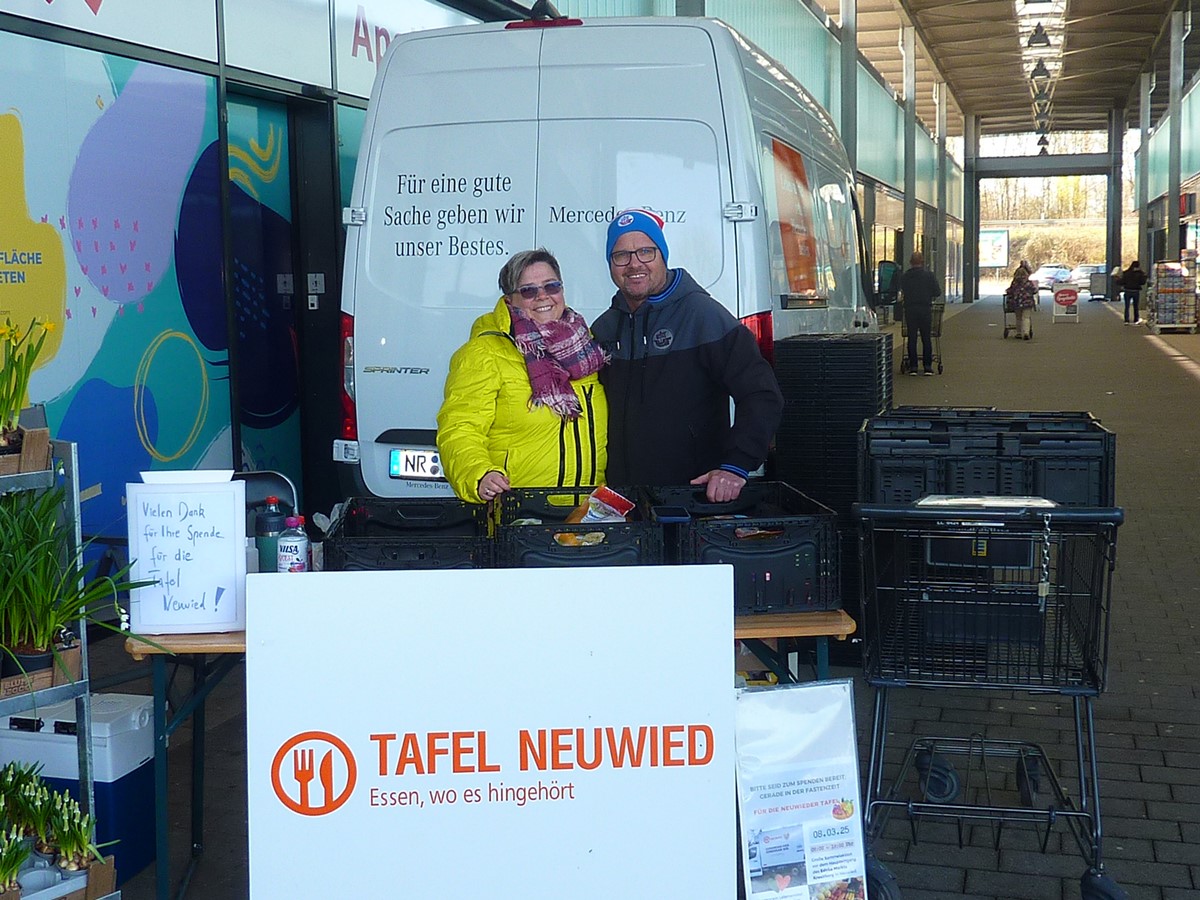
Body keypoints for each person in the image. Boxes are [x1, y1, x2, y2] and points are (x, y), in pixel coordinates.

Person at [591, 208, 783, 503]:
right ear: (610, 264)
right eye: (621, 255)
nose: (634, 264)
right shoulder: (604, 328)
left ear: (662, 255)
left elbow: (761, 394)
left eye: (646, 251)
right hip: (623, 500)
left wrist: (736, 465)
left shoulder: (703, 316)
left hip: (693, 497)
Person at [437, 248, 609, 503]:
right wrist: (479, 473)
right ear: (510, 299)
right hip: (521, 513)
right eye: (528, 290)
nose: (543, 296)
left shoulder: (586, 347)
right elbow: (460, 428)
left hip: (587, 511)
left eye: (552, 286)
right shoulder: (482, 354)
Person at [899, 250, 943, 374]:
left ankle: (913, 366)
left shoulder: (905, 276)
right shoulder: (929, 276)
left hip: (910, 309)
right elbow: (937, 292)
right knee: (926, 337)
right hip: (925, 309)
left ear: (910, 262)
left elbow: (902, 290)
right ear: (922, 262)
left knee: (911, 337)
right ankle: (927, 366)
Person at [1005, 262, 1037, 340]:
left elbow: (1010, 291)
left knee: (1018, 318)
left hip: (1017, 302)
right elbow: (1034, 290)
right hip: (1027, 302)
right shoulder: (1028, 283)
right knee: (1026, 317)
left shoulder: (1015, 283)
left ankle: (1018, 333)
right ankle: (1026, 332)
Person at [1119, 260, 1148, 324]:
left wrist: (1117, 279)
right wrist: (1144, 276)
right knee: (1136, 306)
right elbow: (1142, 282)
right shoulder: (1140, 274)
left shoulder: (1126, 273)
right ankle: (1136, 319)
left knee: (1127, 306)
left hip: (1127, 290)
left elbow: (1122, 282)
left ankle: (1126, 320)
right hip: (1136, 291)